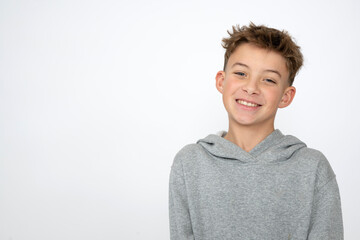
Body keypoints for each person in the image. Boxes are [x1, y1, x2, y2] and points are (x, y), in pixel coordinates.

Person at [169, 23, 343, 240]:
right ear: (221, 82)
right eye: (241, 73)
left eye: (269, 79)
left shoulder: (313, 168)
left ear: (286, 96)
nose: (251, 87)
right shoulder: (189, 163)